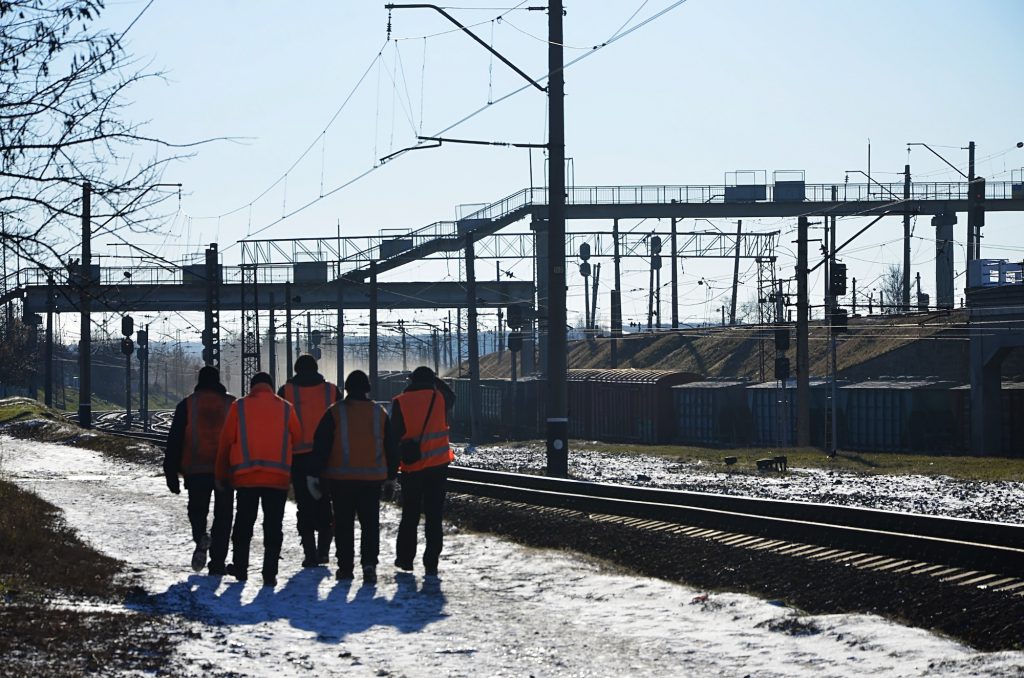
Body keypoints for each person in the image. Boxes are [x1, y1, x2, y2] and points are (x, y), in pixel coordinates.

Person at [309, 370, 397, 584]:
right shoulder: (380, 413)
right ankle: (369, 565)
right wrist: (391, 477)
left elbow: (321, 446)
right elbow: (392, 447)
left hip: (341, 480)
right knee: (370, 524)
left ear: (346, 388)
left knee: (343, 525)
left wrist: (314, 475)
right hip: (372, 481)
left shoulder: (335, 412)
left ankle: (345, 568)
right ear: (367, 388)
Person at [216, 371, 302, 587]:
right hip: (278, 478)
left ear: (252, 387)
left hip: (246, 478)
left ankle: (241, 568)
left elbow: (225, 443)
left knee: (244, 524)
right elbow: (298, 438)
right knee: (273, 526)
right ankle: (270, 572)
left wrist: (221, 475)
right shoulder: (285, 408)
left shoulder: (239, 407)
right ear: (271, 387)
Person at [163, 366, 236, 575]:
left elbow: (175, 440)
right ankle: (217, 563)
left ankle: (200, 536)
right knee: (224, 516)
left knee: (197, 510)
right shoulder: (231, 404)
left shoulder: (187, 404)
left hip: (196, 469)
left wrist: (171, 473)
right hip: (225, 470)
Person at [390, 365, 456, 576]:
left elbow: (393, 438)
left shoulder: (400, 402)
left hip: (412, 467)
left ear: (411, 381)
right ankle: (431, 562)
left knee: (410, 514)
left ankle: (405, 559)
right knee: (434, 516)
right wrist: (436, 380)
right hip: (438, 467)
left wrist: (391, 471)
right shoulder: (441, 399)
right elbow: (451, 395)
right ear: (432, 381)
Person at [279, 354, 342, 567]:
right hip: (327, 457)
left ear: (296, 369)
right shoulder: (331, 390)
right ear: (316, 369)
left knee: (304, 505)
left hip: (298, 458)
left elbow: (280, 427)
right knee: (324, 501)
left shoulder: (286, 391)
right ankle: (324, 551)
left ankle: (309, 553)